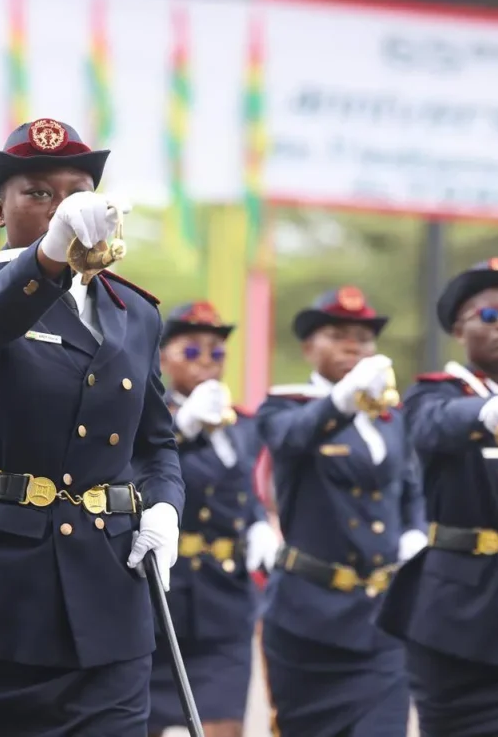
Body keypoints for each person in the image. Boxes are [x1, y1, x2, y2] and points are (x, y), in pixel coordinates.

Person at [0, 118, 184, 737]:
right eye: (38, 193)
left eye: (77, 193)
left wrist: (165, 508)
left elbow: (155, 445)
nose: (61, 207)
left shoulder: (133, 310)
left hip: (108, 594)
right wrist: (48, 256)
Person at [378, 258, 498, 737]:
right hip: (456, 627)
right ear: (459, 329)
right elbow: (430, 428)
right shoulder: (434, 396)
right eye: (489, 315)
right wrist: (487, 411)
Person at [255, 286, 427, 737]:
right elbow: (290, 439)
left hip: (380, 618)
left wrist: (413, 533)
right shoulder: (285, 405)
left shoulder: (392, 418)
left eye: (364, 337)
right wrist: (342, 401)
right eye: (337, 334)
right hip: (308, 617)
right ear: (309, 346)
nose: (354, 345)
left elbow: (409, 487)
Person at [148, 301, 279, 737]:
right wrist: (180, 427)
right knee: (146, 722)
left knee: (223, 725)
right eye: (192, 351)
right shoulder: (144, 416)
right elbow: (135, 465)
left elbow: (241, 487)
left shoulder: (241, 424)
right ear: (164, 356)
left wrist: (258, 521)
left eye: (216, 352)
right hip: (161, 593)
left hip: (225, 597)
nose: (206, 361)